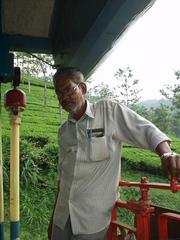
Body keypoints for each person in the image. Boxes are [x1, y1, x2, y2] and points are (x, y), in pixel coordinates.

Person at [48, 67, 180, 240]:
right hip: (62, 216)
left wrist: (166, 154)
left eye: (68, 90)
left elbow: (146, 130)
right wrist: (53, 218)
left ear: (83, 88)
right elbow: (62, 178)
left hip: (92, 220)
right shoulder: (64, 132)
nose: (63, 98)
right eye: (59, 93)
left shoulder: (108, 112)